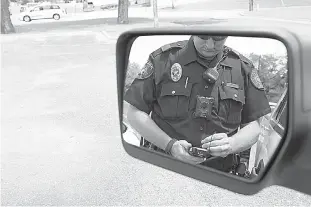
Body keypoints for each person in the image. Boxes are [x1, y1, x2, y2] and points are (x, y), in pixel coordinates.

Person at [124, 35, 271, 174]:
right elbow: (135, 112)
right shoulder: (163, 60)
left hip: (223, 176)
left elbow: (254, 126)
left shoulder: (242, 68)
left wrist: (231, 144)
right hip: (164, 169)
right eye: (204, 37)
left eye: (218, 39)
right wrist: (170, 145)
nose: (210, 45)